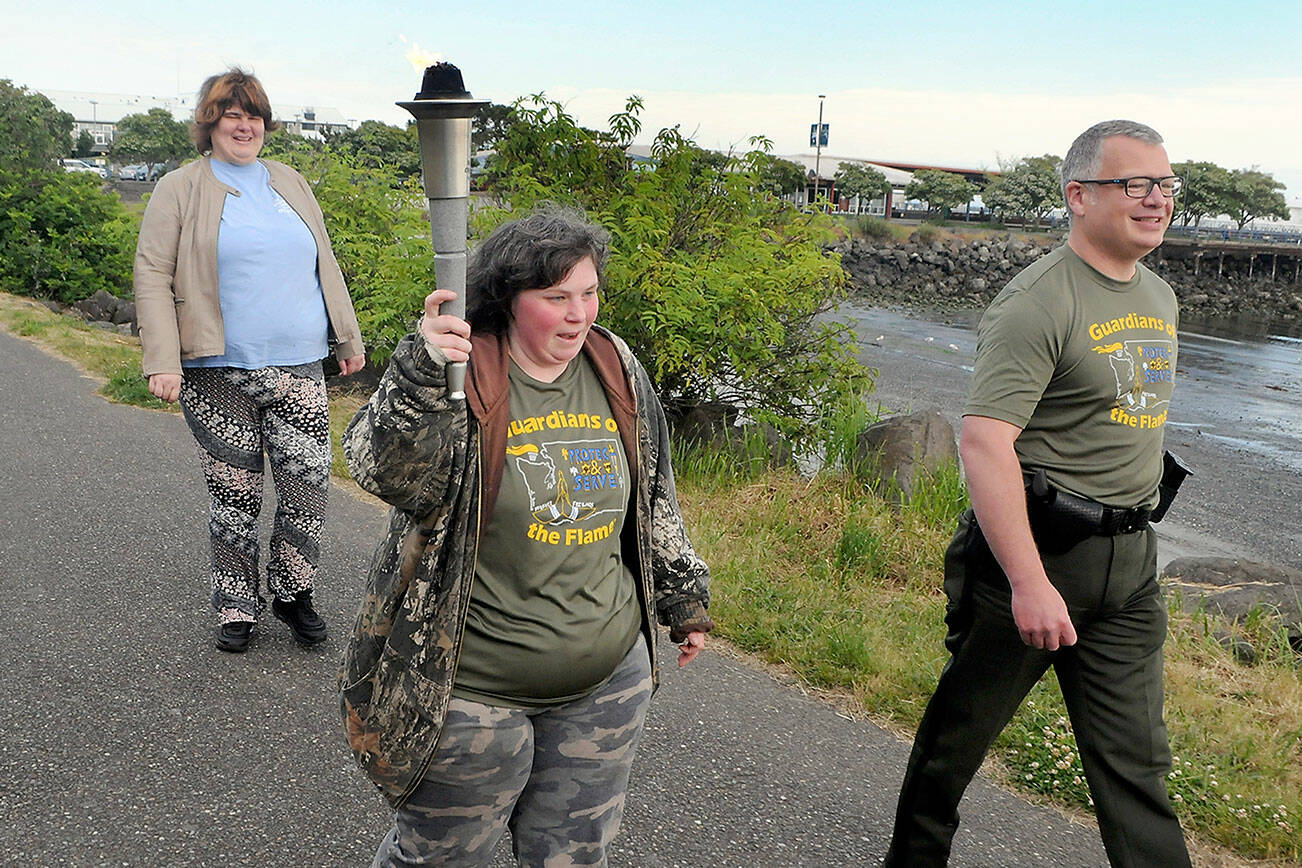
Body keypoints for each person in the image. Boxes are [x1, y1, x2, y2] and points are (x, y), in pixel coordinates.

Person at [339, 205, 715, 867]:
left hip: (605, 684)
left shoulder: (614, 365)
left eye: (589, 293)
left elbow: (655, 491)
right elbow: (383, 468)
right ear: (509, 300)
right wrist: (421, 370)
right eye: (556, 297)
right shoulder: (464, 373)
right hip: (474, 696)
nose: (579, 314)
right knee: (441, 859)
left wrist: (683, 599)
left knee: (572, 857)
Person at [885, 120, 1192, 867]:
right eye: (1136, 185)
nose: (1157, 201)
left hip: (1131, 562)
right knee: (956, 746)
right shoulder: (1038, 302)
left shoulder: (1159, 295)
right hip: (1035, 555)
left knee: (1136, 769)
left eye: (1166, 185)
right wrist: (1027, 582)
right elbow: (985, 443)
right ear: (1079, 195)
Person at [133, 68, 365, 654]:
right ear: (209, 124)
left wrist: (347, 337)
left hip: (299, 365)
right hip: (216, 371)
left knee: (308, 486)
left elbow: (324, 263)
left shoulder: (288, 180)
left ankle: (294, 593)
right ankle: (236, 604)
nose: (245, 124)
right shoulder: (179, 187)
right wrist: (162, 359)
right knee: (236, 497)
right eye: (231, 114)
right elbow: (153, 274)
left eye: (254, 114)